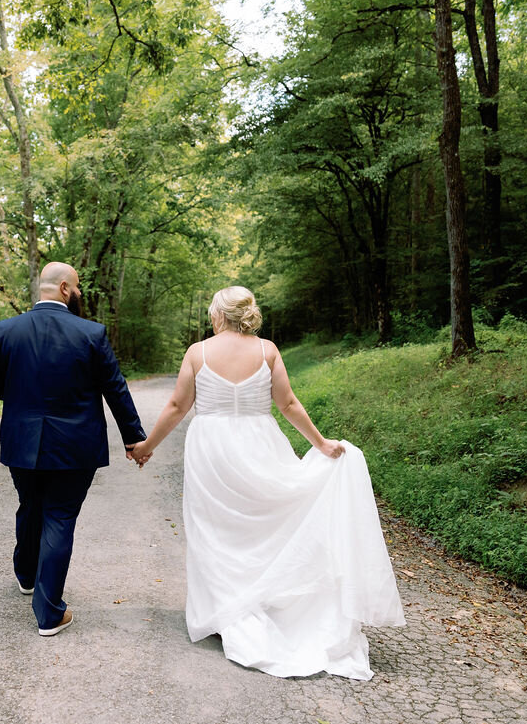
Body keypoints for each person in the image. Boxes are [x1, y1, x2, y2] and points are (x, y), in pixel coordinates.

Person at [130, 286, 405, 678]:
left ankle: (228, 610)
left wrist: (146, 447)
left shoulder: (198, 352)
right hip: (260, 442)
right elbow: (288, 403)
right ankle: (258, 601)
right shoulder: (267, 350)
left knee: (216, 529)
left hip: (211, 448)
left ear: (218, 315)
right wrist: (321, 444)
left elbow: (177, 406)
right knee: (264, 523)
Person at [0, 262, 147, 637]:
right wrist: (134, 439)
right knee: (59, 517)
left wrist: (23, 394)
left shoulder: (8, 330)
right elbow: (115, 389)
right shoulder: (91, 333)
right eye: (80, 287)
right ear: (66, 288)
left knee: (30, 505)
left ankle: (26, 577)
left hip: (22, 441)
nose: (81, 292)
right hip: (75, 445)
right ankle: (49, 612)